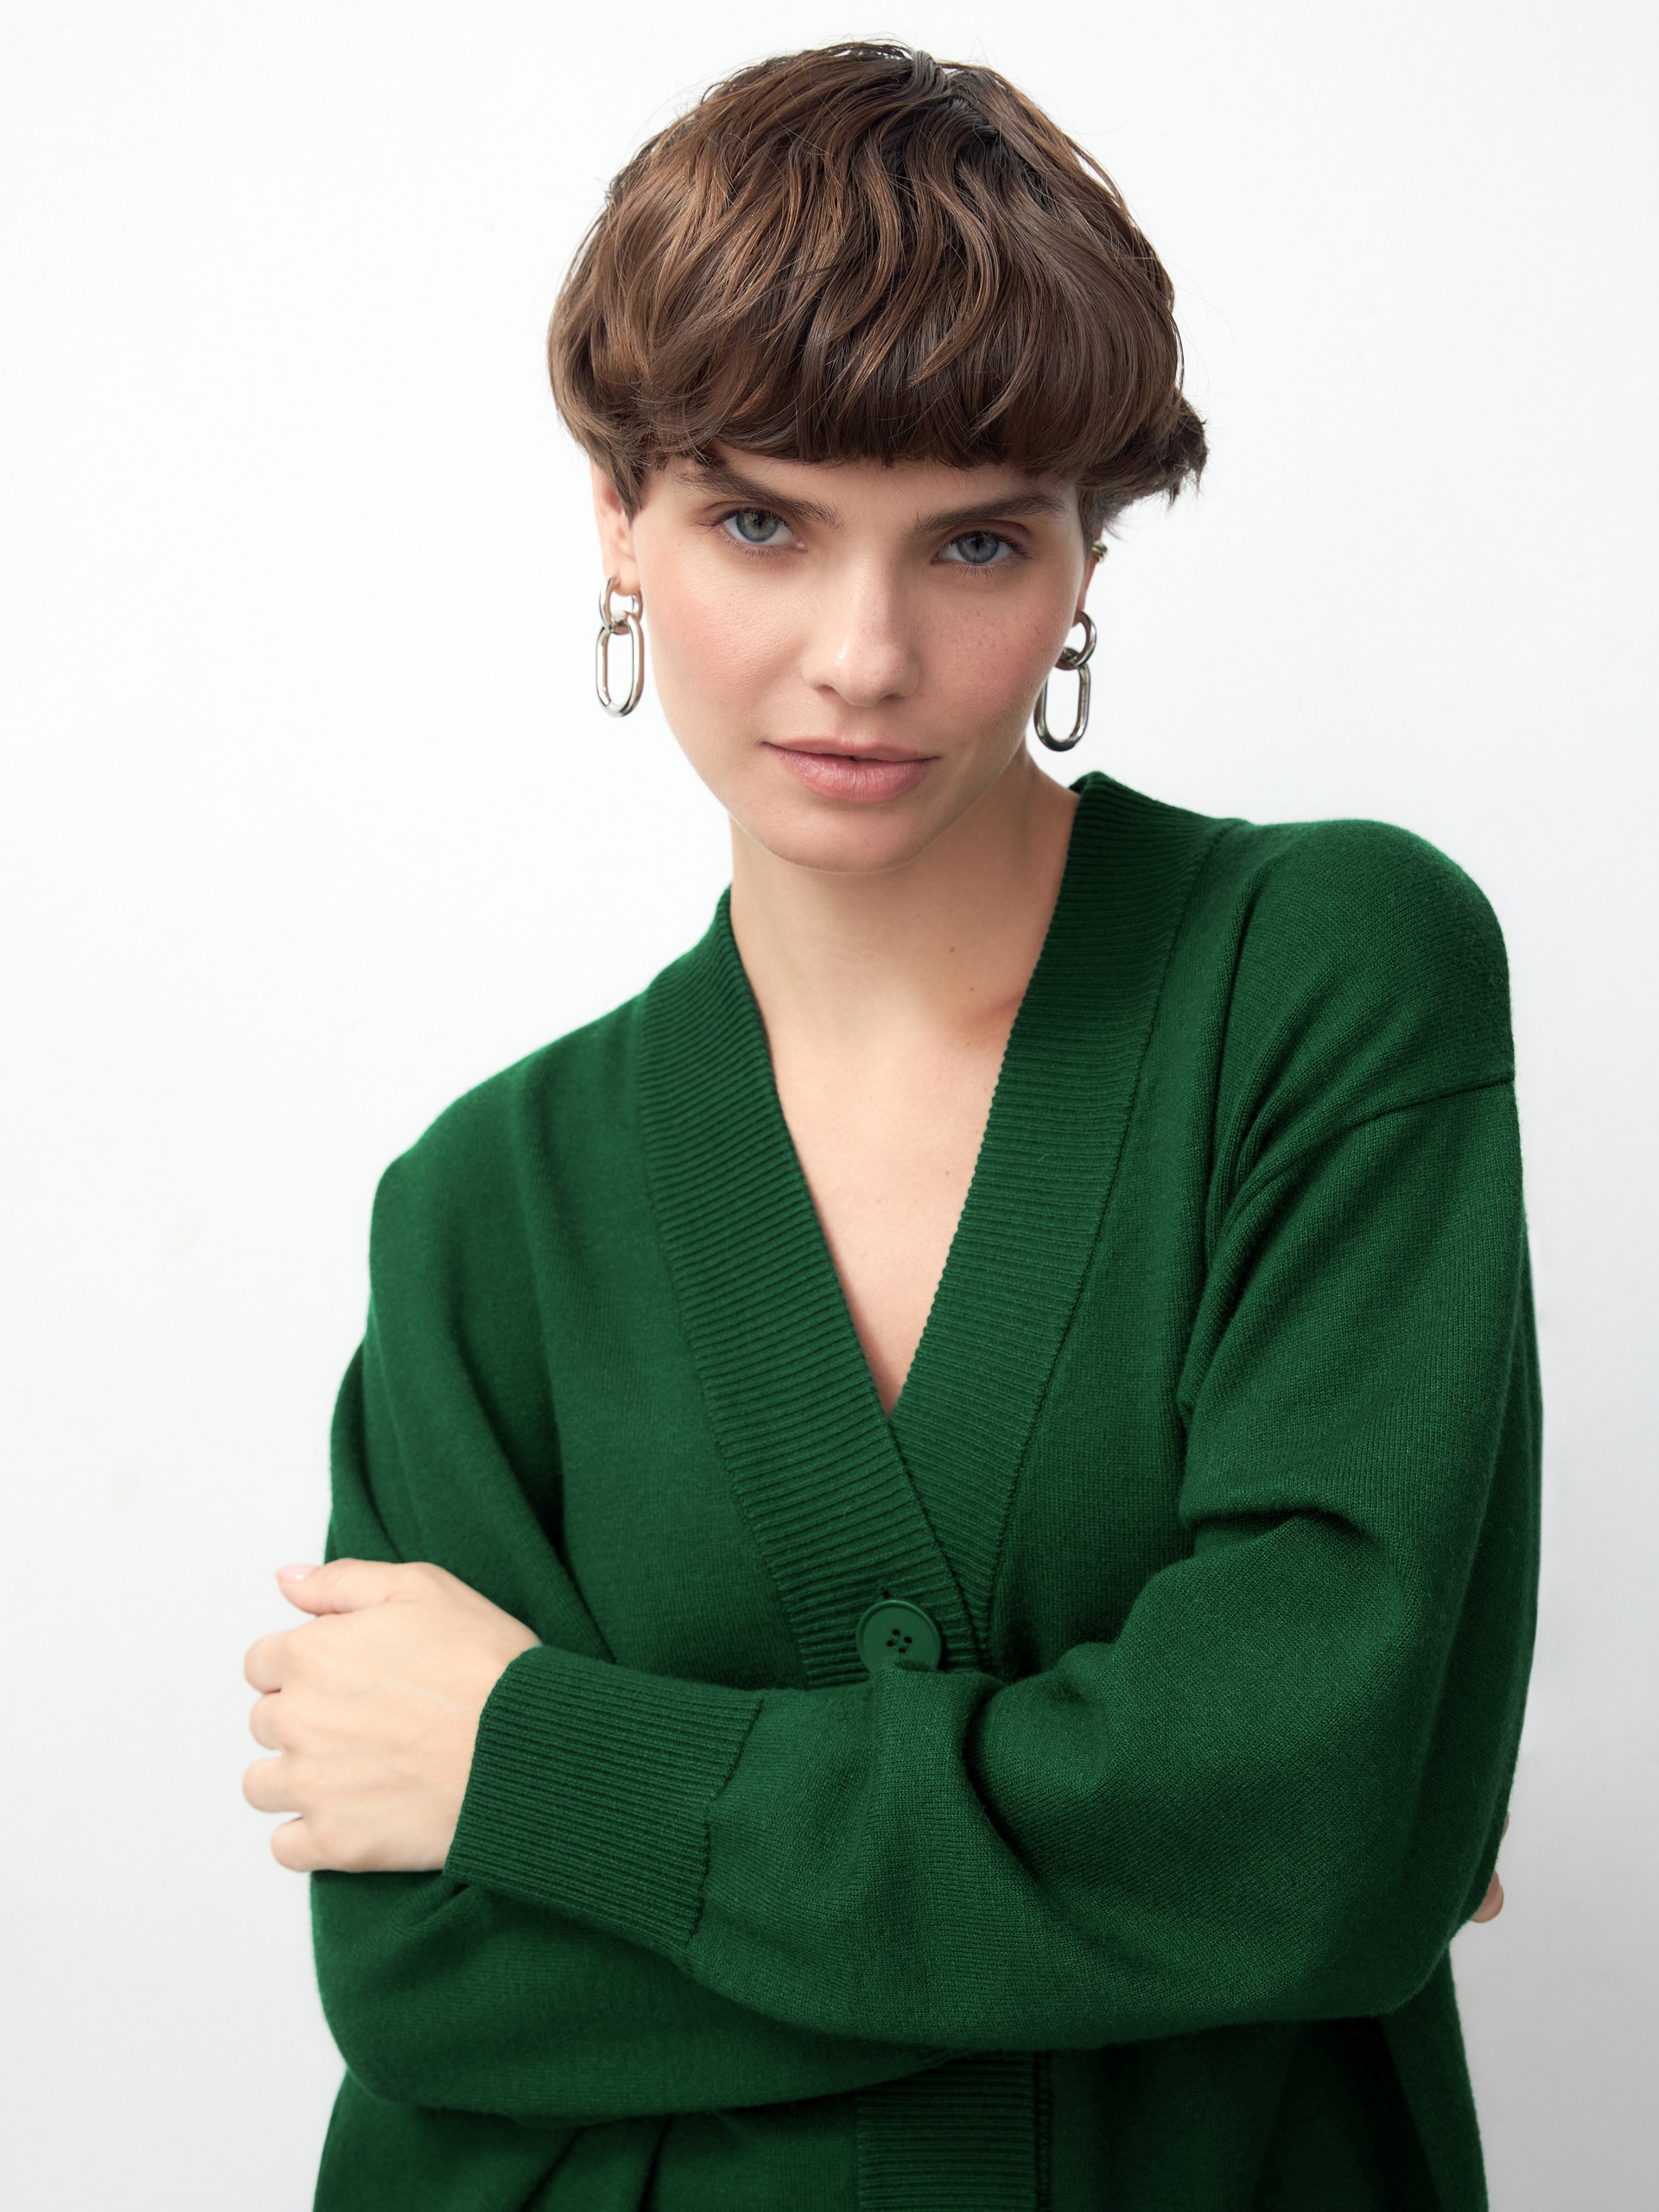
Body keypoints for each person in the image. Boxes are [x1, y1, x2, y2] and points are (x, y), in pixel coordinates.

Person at [242, 41, 1538, 2212]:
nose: (864, 653)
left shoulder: (1320, 980)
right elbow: (430, 1976)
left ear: (1083, 558)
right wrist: (1176, 1892)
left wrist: (546, 1767)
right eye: (761, 521)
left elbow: (1315, 1837)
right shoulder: (487, 1206)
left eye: (975, 540)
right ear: (618, 519)